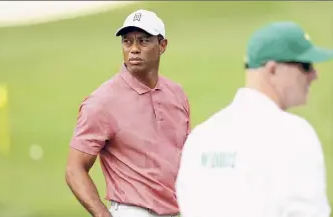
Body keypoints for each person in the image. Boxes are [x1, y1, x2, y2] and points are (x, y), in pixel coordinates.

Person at [176, 21, 333, 217]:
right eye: (305, 65)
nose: (314, 75)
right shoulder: (295, 134)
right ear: (273, 70)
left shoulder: (200, 138)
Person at [65, 9, 190, 217]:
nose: (133, 49)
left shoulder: (176, 94)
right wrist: (103, 215)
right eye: (127, 41)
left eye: (143, 41)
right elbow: (74, 169)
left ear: (162, 46)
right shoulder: (102, 102)